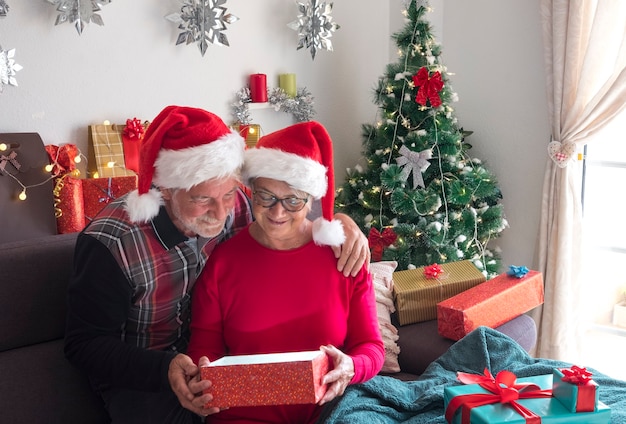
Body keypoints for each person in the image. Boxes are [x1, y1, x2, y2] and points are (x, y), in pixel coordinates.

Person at [64, 106, 371, 424]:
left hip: (216, 363)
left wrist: (344, 223)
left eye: (229, 194)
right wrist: (163, 369)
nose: (221, 211)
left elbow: (286, 214)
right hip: (142, 372)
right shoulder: (112, 243)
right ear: (167, 189)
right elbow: (83, 344)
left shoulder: (237, 204)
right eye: (202, 199)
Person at [186, 121, 385, 423]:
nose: (277, 213)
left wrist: (352, 366)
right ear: (251, 193)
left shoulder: (343, 256)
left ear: (311, 202)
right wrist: (204, 380)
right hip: (246, 413)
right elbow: (205, 347)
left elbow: (371, 346)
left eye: (292, 200)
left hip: (333, 407)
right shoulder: (223, 263)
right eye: (266, 196)